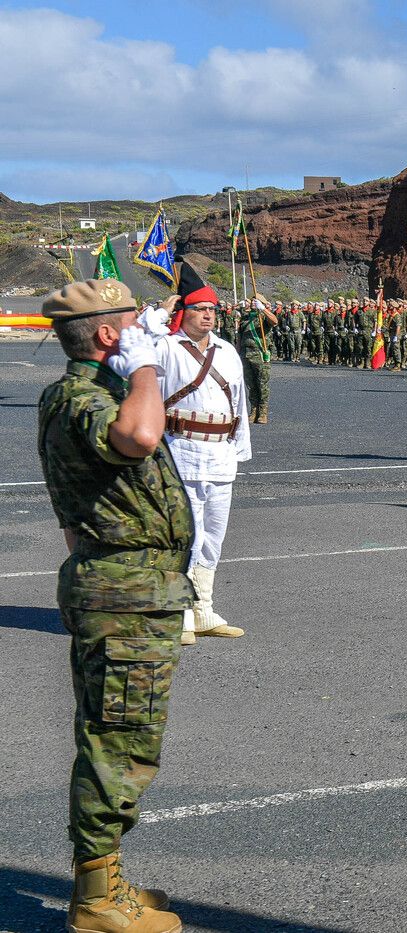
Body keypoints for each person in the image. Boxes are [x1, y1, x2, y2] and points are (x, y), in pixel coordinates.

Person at [38, 279, 193, 933]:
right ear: (108, 335)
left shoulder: (79, 392)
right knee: (118, 745)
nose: (144, 327)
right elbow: (140, 436)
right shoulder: (86, 396)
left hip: (125, 587)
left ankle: (105, 881)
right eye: (133, 321)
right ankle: (98, 903)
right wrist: (148, 367)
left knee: (116, 738)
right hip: (125, 596)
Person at [157, 267, 251, 646]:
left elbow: (240, 404)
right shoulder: (165, 346)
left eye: (212, 309)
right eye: (199, 309)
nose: (208, 315)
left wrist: (240, 447)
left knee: (213, 534)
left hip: (221, 455)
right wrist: (160, 316)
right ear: (184, 312)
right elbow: (131, 351)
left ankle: (204, 610)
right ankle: (179, 614)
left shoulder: (227, 351)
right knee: (184, 536)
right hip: (181, 452)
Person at [236, 292, 278, 423]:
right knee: (251, 385)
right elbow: (239, 336)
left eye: (256, 301)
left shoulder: (263, 317)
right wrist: (237, 352)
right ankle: (253, 411)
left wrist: (263, 309)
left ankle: (263, 412)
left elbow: (275, 321)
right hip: (246, 354)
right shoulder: (246, 317)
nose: (253, 303)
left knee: (262, 384)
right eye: (253, 301)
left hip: (259, 354)